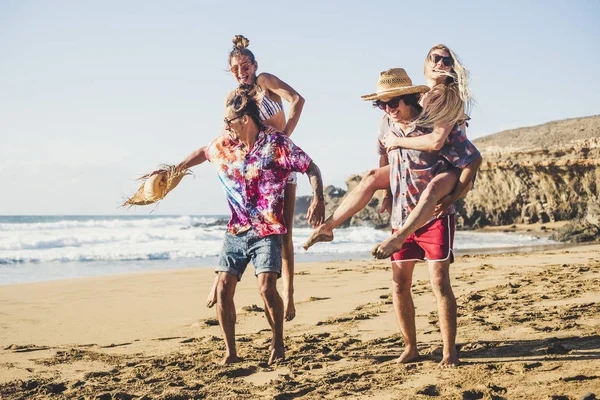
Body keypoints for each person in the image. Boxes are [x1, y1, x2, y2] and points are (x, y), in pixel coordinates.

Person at [173, 89, 324, 364]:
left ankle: (278, 342)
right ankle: (231, 353)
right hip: (237, 230)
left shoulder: (277, 143)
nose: (225, 126)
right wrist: (176, 169)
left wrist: (319, 198)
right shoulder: (223, 146)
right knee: (222, 289)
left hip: (267, 229)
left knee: (266, 288)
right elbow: (202, 153)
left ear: (244, 119)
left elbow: (311, 167)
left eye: (228, 121)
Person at [303, 44, 481, 255]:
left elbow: (436, 142)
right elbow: (388, 154)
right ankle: (328, 227)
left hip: (450, 167)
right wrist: (388, 192)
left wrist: (398, 141)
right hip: (420, 163)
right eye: (435, 58)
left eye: (447, 61)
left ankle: (400, 237)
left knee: (432, 190)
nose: (440, 64)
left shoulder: (448, 97)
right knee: (370, 177)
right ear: (426, 63)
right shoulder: (416, 101)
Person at [366, 68, 480, 368]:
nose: (388, 110)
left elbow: (471, 157)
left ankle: (448, 351)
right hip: (400, 217)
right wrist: (387, 193)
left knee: (439, 283)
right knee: (399, 284)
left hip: (434, 217)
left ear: (409, 98)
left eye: (393, 103)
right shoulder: (384, 127)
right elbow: (382, 156)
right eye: (382, 105)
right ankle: (411, 347)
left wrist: (454, 196)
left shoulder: (434, 124)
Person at [206, 35, 305, 322]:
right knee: (238, 224)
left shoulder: (265, 81)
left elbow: (298, 99)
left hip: (279, 168)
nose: (241, 71)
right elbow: (228, 134)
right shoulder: (234, 98)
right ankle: (218, 281)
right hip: (252, 174)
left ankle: (289, 295)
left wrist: (284, 138)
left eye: (245, 65)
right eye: (235, 68)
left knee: (283, 230)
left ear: (254, 64)